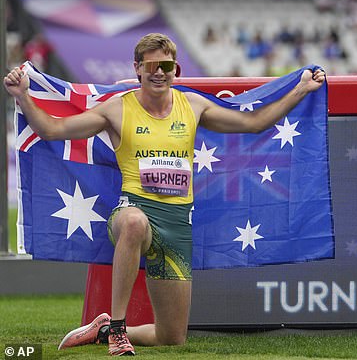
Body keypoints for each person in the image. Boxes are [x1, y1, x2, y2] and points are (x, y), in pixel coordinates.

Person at [3, 33, 326, 356]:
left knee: (171, 336)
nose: (160, 72)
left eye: (166, 66)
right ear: (138, 69)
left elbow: (254, 123)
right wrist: (22, 96)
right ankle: (117, 329)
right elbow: (53, 130)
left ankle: (103, 329)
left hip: (176, 226)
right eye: (152, 66)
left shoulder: (194, 106)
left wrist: (301, 89)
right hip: (132, 211)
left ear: (177, 70)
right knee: (133, 224)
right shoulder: (116, 110)